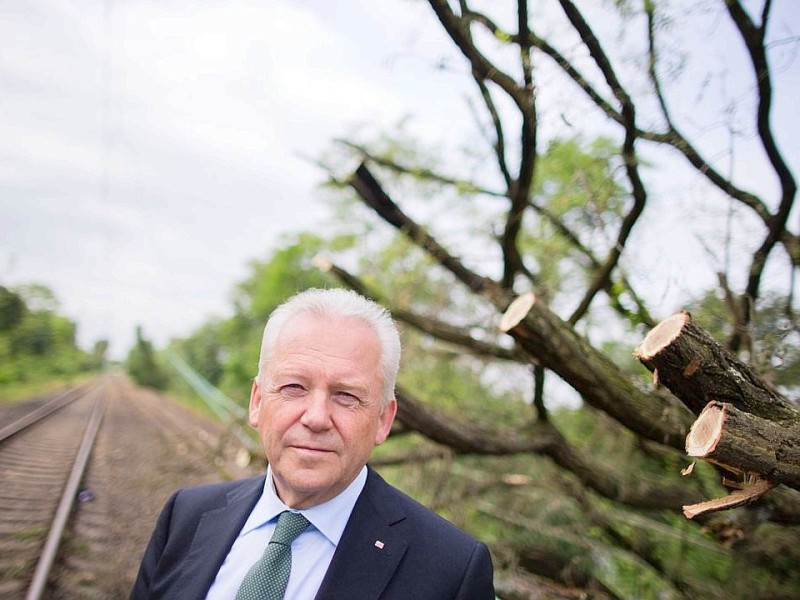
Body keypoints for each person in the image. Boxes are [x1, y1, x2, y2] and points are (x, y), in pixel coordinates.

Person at [131, 288, 495, 599]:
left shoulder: (451, 571)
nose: (316, 418)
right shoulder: (185, 516)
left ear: (384, 420)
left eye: (346, 395)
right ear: (257, 401)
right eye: (294, 387)